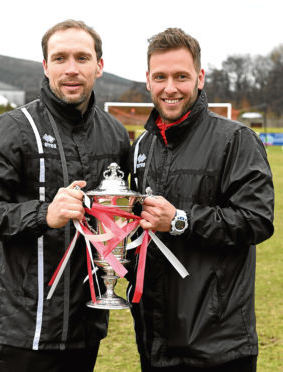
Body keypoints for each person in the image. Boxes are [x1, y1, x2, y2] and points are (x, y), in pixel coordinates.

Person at [0, 19, 130, 372]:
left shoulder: (115, 134)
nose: (71, 69)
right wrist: (43, 215)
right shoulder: (12, 128)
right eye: (60, 58)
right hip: (27, 328)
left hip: (88, 321)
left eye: (82, 58)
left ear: (99, 66)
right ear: (45, 65)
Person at [127, 27, 274, 372]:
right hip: (154, 337)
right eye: (160, 77)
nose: (170, 87)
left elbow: (257, 220)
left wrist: (181, 220)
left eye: (181, 76)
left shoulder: (236, 140)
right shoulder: (142, 147)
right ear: (147, 80)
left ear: (200, 77)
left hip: (217, 344)